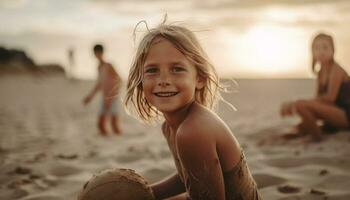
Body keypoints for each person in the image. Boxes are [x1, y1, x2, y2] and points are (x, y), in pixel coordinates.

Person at [125, 20, 262, 200]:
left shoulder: (193, 131)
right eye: (152, 70)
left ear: (200, 79)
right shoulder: (170, 127)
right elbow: (189, 177)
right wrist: (146, 194)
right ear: (140, 81)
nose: (163, 80)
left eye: (177, 69)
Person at [280, 33, 350, 141]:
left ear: (333, 50)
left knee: (300, 105)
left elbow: (330, 99)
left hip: (345, 114)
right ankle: (316, 133)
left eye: (325, 47)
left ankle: (317, 139)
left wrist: (295, 103)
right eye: (317, 48)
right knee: (296, 129)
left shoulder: (337, 70)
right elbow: (318, 100)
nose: (321, 51)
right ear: (312, 52)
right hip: (332, 116)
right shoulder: (321, 72)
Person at [83, 44, 122, 136]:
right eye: (95, 53)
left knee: (114, 123)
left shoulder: (109, 65)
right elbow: (99, 84)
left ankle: (117, 140)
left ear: (102, 53)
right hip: (104, 96)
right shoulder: (99, 67)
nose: (96, 55)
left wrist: (111, 96)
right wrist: (90, 96)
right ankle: (108, 140)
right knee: (101, 124)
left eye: (98, 52)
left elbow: (119, 80)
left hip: (112, 96)